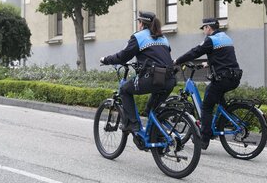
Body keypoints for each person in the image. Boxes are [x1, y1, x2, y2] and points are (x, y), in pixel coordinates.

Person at [100, 11, 176, 133]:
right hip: (170, 79)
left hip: (152, 78)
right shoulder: (163, 37)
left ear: (141, 23)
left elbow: (123, 57)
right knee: (151, 110)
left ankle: (132, 124)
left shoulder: (138, 36)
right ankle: (157, 138)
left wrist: (106, 60)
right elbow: (160, 56)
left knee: (124, 90)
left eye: (139, 22)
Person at [174, 18, 242, 150]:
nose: (204, 31)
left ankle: (204, 139)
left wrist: (178, 60)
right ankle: (224, 121)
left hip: (222, 79)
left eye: (204, 28)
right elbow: (224, 57)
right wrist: (209, 63)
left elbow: (195, 52)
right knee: (218, 98)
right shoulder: (226, 38)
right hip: (234, 77)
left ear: (208, 28)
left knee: (206, 107)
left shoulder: (211, 40)